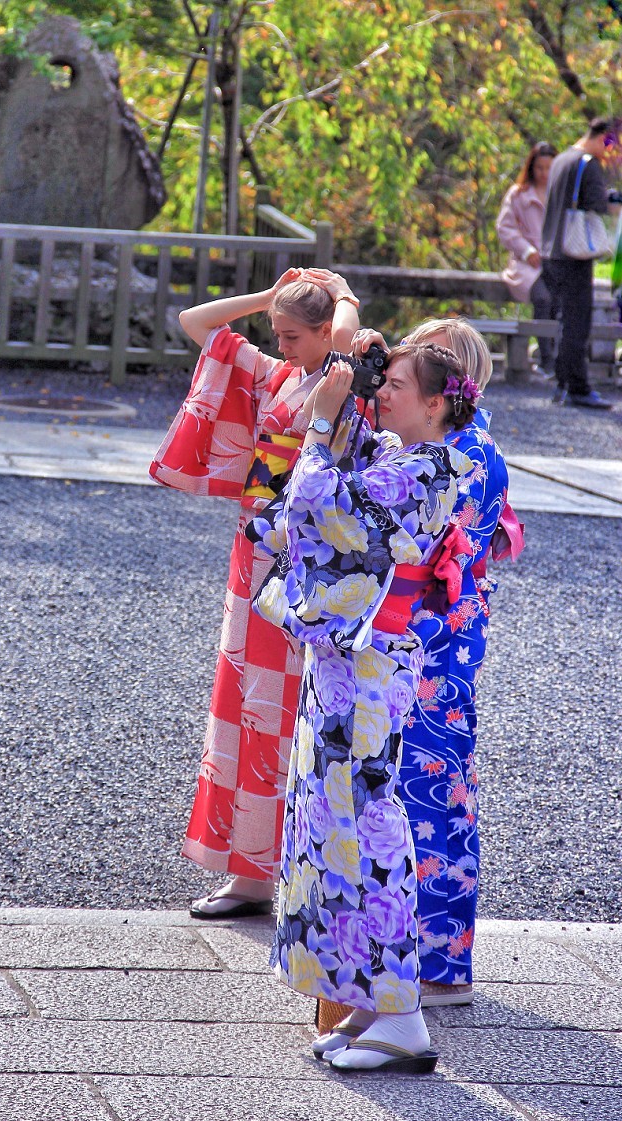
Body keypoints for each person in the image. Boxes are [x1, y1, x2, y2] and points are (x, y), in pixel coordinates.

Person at [249, 342, 478, 1073]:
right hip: (345, 665)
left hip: (372, 667)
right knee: (326, 828)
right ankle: (366, 999)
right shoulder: (392, 451)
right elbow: (300, 505)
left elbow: (326, 506)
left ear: (436, 403)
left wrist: (318, 431)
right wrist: (340, 405)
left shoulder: (432, 466)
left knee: (366, 829)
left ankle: (402, 1013)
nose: (385, 395)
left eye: (398, 385)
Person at [150, 268, 360, 917]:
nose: (283, 344)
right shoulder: (279, 376)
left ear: (327, 331)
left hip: (301, 558)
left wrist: (343, 293)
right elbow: (196, 324)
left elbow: (345, 338)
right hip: (252, 546)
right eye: (278, 334)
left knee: (281, 707)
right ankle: (246, 871)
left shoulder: (339, 381)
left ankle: (288, 869)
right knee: (241, 702)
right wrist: (270, 298)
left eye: (295, 335)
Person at [541, 116, 621, 409]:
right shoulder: (587, 163)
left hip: (552, 249)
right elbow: (599, 205)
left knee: (566, 320)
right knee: (578, 322)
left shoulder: (563, 158)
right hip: (573, 252)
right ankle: (578, 386)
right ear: (603, 138)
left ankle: (564, 383)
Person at [496, 141, 559, 377]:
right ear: (532, 167)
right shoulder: (519, 194)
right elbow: (505, 228)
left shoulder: (559, 193)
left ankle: (556, 356)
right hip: (526, 264)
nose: (544, 173)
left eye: (549, 168)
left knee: (560, 301)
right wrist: (526, 250)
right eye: (540, 168)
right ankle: (546, 358)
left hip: (556, 261)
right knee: (542, 298)